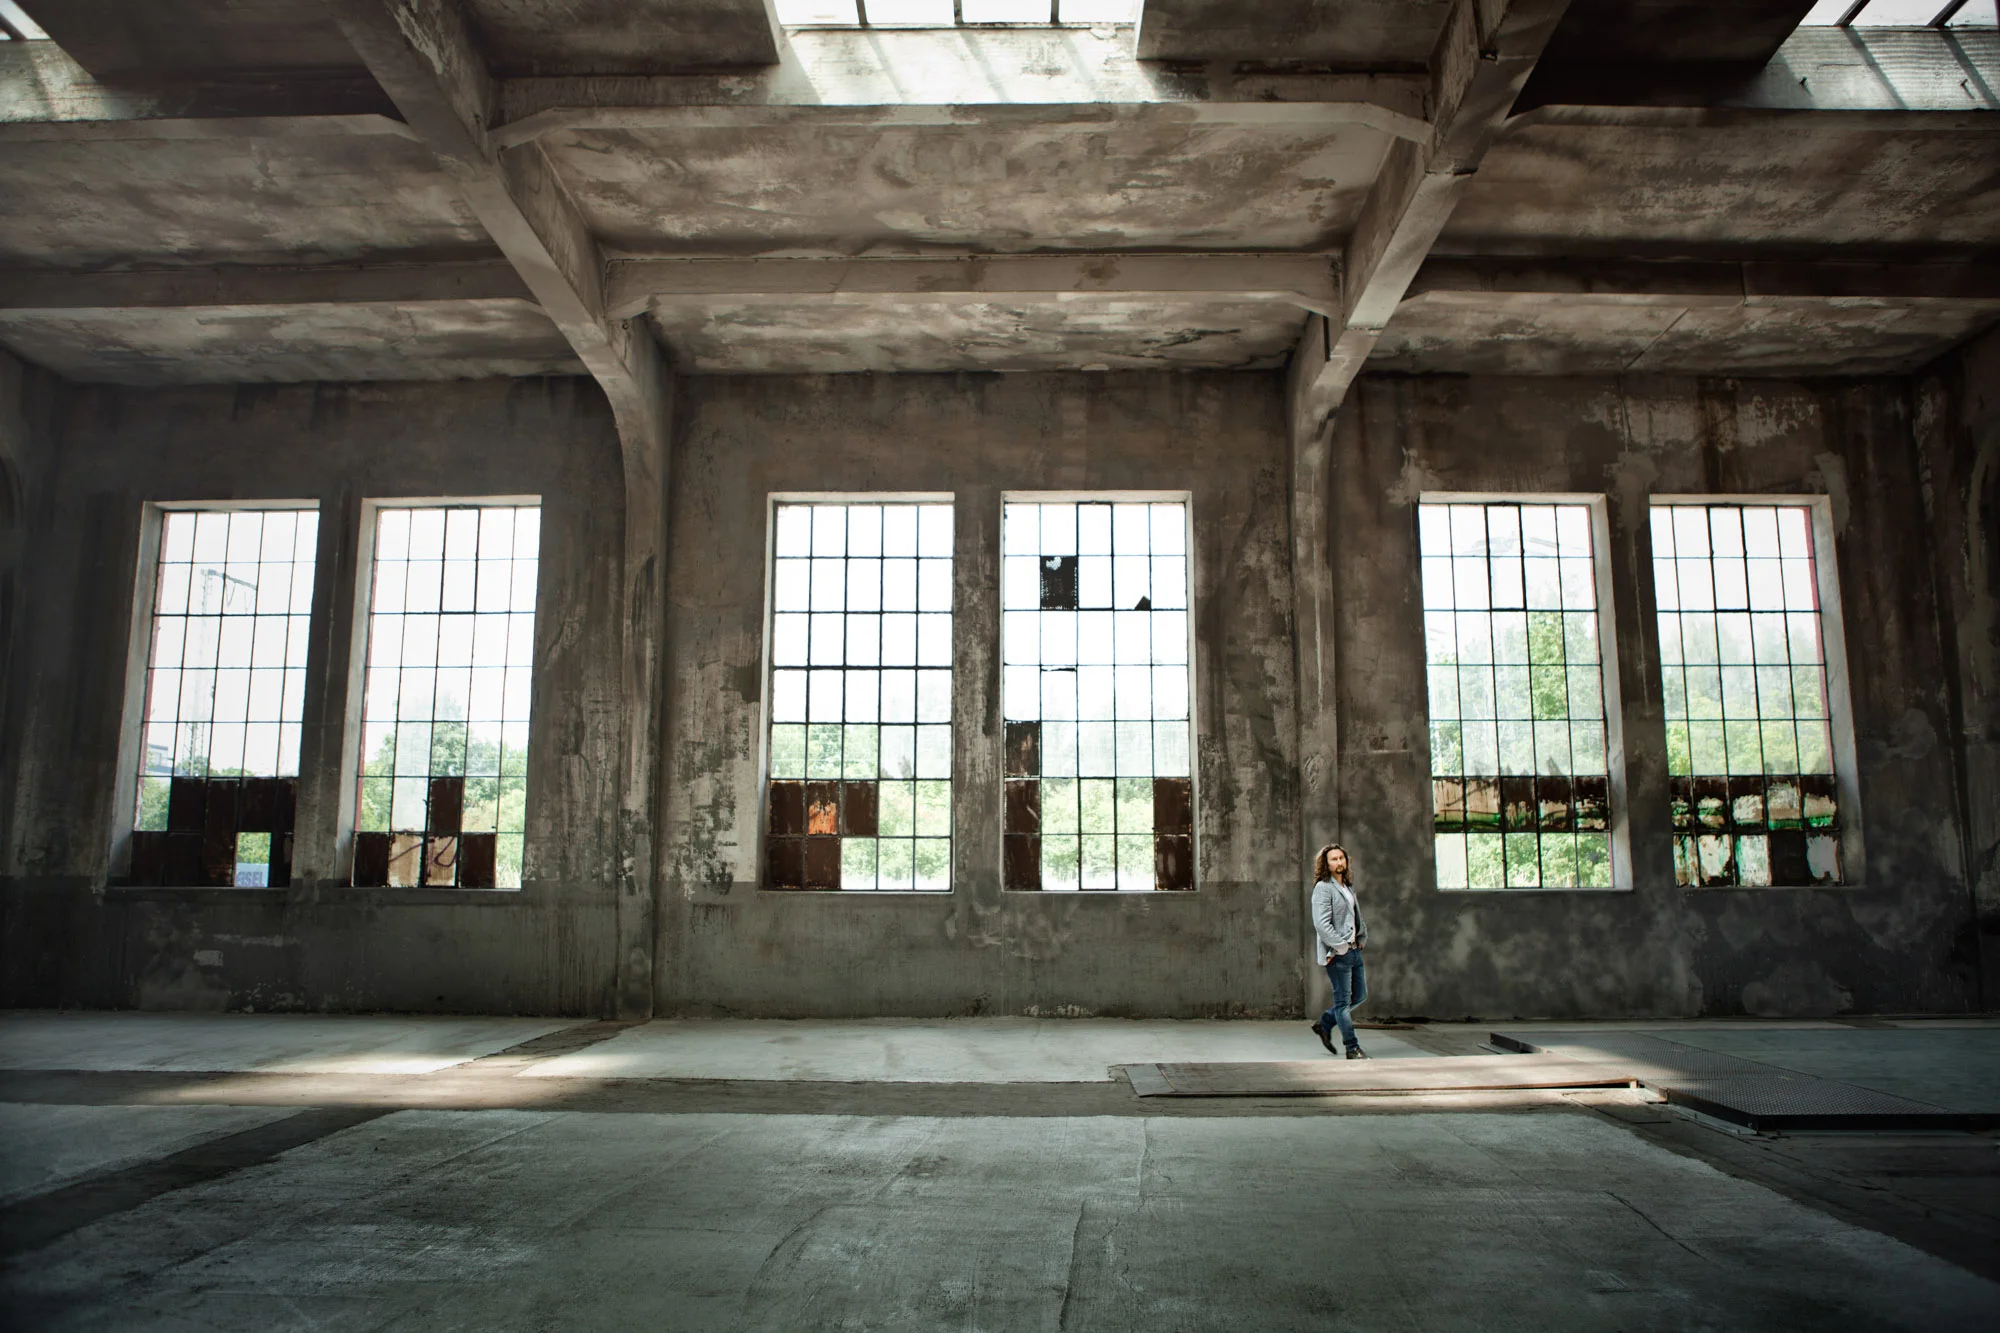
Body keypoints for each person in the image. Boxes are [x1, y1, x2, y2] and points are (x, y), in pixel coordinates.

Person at [1309, 843, 1370, 1059]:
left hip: (1354, 951)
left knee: (1360, 995)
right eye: (1333, 859)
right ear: (1326, 864)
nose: (1339, 862)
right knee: (1343, 1004)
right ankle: (1352, 1048)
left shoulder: (1347, 886)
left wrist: (1361, 937)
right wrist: (1341, 947)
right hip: (1338, 954)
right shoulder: (1323, 888)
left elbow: (1355, 916)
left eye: (1341, 858)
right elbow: (1322, 924)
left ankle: (1325, 1023)